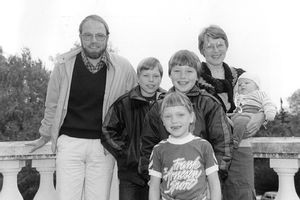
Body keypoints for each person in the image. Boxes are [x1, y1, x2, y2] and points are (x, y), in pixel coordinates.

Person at [27, 15, 137, 200]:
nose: (94, 40)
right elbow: (52, 104)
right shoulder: (64, 66)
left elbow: (135, 103)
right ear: (80, 37)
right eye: (88, 35)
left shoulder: (123, 68)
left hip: (104, 147)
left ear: (107, 38)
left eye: (99, 36)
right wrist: (45, 134)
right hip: (69, 143)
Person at [139, 50, 232, 186]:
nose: (183, 77)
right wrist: (152, 180)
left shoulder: (209, 104)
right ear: (170, 74)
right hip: (168, 185)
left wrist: (212, 181)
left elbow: (223, 145)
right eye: (177, 71)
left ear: (197, 76)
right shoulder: (158, 107)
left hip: (202, 184)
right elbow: (147, 147)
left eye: (189, 71)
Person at [198, 25, 265, 199]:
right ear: (202, 50)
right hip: (208, 149)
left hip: (240, 150)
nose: (215, 50)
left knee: (242, 193)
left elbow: (262, 100)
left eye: (219, 45)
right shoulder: (193, 78)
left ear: (226, 46)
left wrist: (261, 115)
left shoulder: (242, 77)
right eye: (209, 46)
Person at [101, 57, 165, 200]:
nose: (151, 80)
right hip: (131, 174)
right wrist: (127, 153)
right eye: (146, 76)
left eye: (156, 76)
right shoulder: (124, 102)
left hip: (160, 173)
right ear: (138, 78)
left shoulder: (167, 102)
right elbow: (107, 131)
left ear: (161, 78)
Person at [148, 91, 221, 200]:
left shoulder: (204, 146)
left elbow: (214, 183)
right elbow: (154, 186)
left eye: (180, 115)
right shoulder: (158, 150)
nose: (174, 120)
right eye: (168, 116)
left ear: (191, 117)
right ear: (162, 120)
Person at [232, 72, 277, 146]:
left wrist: (269, 113)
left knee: (241, 121)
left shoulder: (259, 94)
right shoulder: (239, 97)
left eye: (247, 83)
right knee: (227, 121)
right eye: (239, 85)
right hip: (238, 115)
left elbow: (268, 103)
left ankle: (235, 140)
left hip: (251, 115)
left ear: (256, 86)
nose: (242, 85)